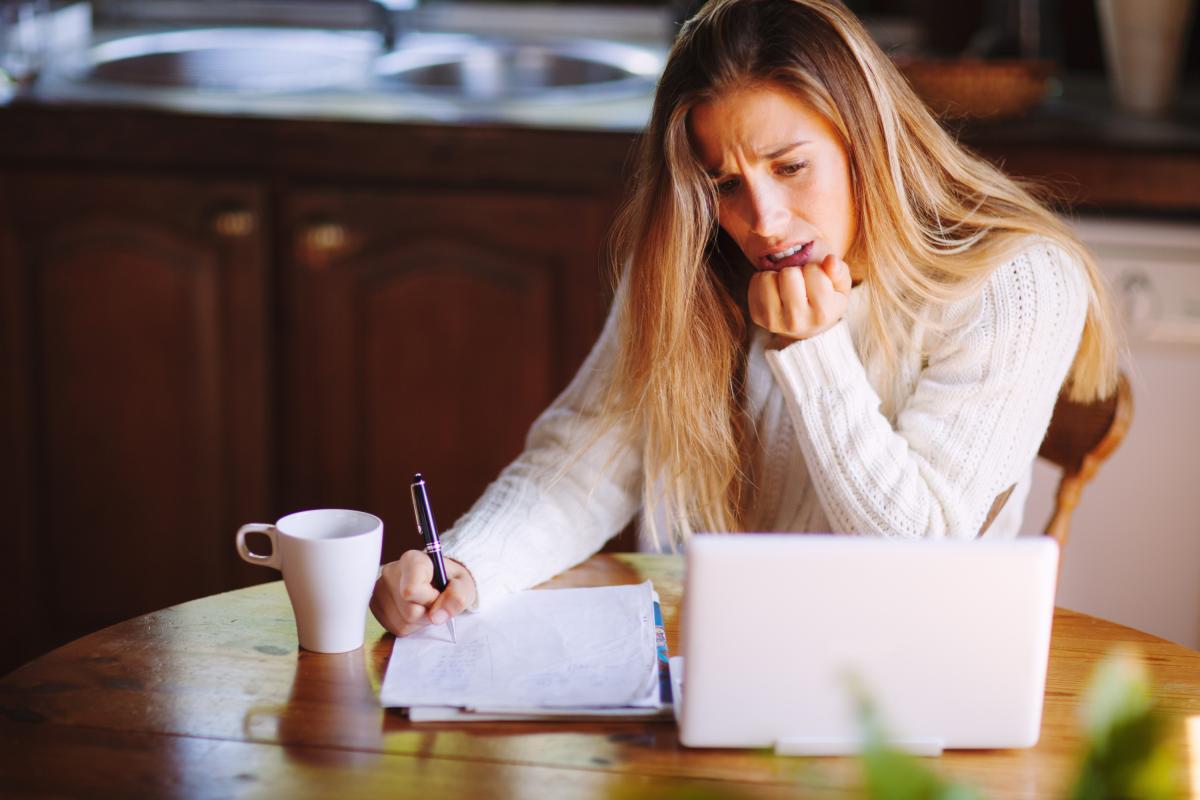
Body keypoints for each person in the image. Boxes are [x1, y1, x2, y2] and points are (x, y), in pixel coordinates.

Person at [369, 0, 1119, 637]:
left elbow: (922, 552)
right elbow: (586, 462)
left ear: (866, 138)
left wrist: (812, 348)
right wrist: (465, 567)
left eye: (790, 167)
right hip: (730, 651)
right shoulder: (694, 258)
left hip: (916, 665)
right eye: (723, 184)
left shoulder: (1014, 280)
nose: (762, 221)